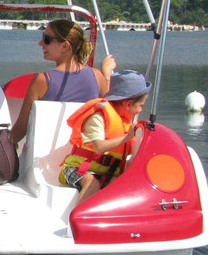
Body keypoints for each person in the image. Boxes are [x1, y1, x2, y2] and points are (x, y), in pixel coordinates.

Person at [9, 18, 116, 144]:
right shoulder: (97, 76)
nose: (41, 43)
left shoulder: (42, 80)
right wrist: (107, 76)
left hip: (44, 159)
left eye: (47, 39)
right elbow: (111, 113)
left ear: (65, 46)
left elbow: (20, 130)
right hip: (83, 154)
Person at [59, 69, 150, 207]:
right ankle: (79, 221)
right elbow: (99, 147)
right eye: (140, 106)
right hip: (78, 169)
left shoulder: (126, 123)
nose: (141, 111)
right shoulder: (98, 116)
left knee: (122, 185)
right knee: (93, 183)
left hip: (107, 173)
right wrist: (127, 137)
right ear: (129, 104)